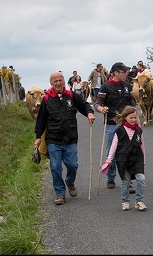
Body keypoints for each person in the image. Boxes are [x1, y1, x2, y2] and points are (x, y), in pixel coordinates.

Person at [34, 71, 95, 205]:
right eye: (55, 81)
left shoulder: (71, 96)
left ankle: (70, 182)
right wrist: (38, 137)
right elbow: (41, 119)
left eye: (60, 80)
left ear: (64, 81)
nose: (58, 83)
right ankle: (60, 193)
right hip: (53, 139)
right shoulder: (46, 99)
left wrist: (89, 113)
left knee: (72, 165)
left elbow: (84, 105)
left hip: (70, 137)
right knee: (55, 166)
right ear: (51, 83)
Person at [94, 62, 136, 192]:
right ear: (116, 73)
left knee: (128, 152)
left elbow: (132, 103)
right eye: (123, 72)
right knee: (111, 153)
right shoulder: (106, 87)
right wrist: (101, 109)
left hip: (127, 125)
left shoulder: (127, 86)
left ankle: (127, 180)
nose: (126, 74)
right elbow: (97, 104)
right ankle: (110, 178)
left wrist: (135, 118)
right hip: (112, 124)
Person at [102, 105, 147, 211]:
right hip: (123, 159)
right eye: (131, 117)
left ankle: (139, 201)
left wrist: (144, 159)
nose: (133, 120)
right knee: (125, 181)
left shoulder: (139, 131)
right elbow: (113, 145)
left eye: (135, 117)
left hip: (137, 158)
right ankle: (125, 201)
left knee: (141, 179)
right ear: (125, 117)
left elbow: (142, 145)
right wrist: (109, 160)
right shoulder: (119, 131)